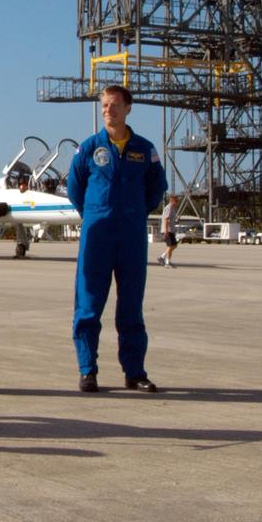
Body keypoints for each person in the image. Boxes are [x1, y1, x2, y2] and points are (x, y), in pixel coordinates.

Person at [66, 84, 167, 393]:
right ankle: (88, 370)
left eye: (113, 105)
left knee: (131, 305)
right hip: (97, 234)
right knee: (89, 304)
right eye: (104, 105)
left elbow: (156, 188)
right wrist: (97, 212)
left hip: (131, 235)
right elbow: (75, 188)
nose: (107, 110)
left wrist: (133, 212)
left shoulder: (144, 149)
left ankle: (135, 372)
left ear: (127, 108)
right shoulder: (88, 148)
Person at [157, 195, 180, 268]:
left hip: (171, 230)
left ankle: (167, 262)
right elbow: (166, 219)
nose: (177, 203)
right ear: (172, 200)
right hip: (168, 230)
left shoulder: (173, 208)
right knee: (170, 246)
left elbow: (171, 219)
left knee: (174, 245)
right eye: (176, 201)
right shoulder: (168, 208)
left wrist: (176, 221)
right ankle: (162, 258)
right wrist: (166, 231)